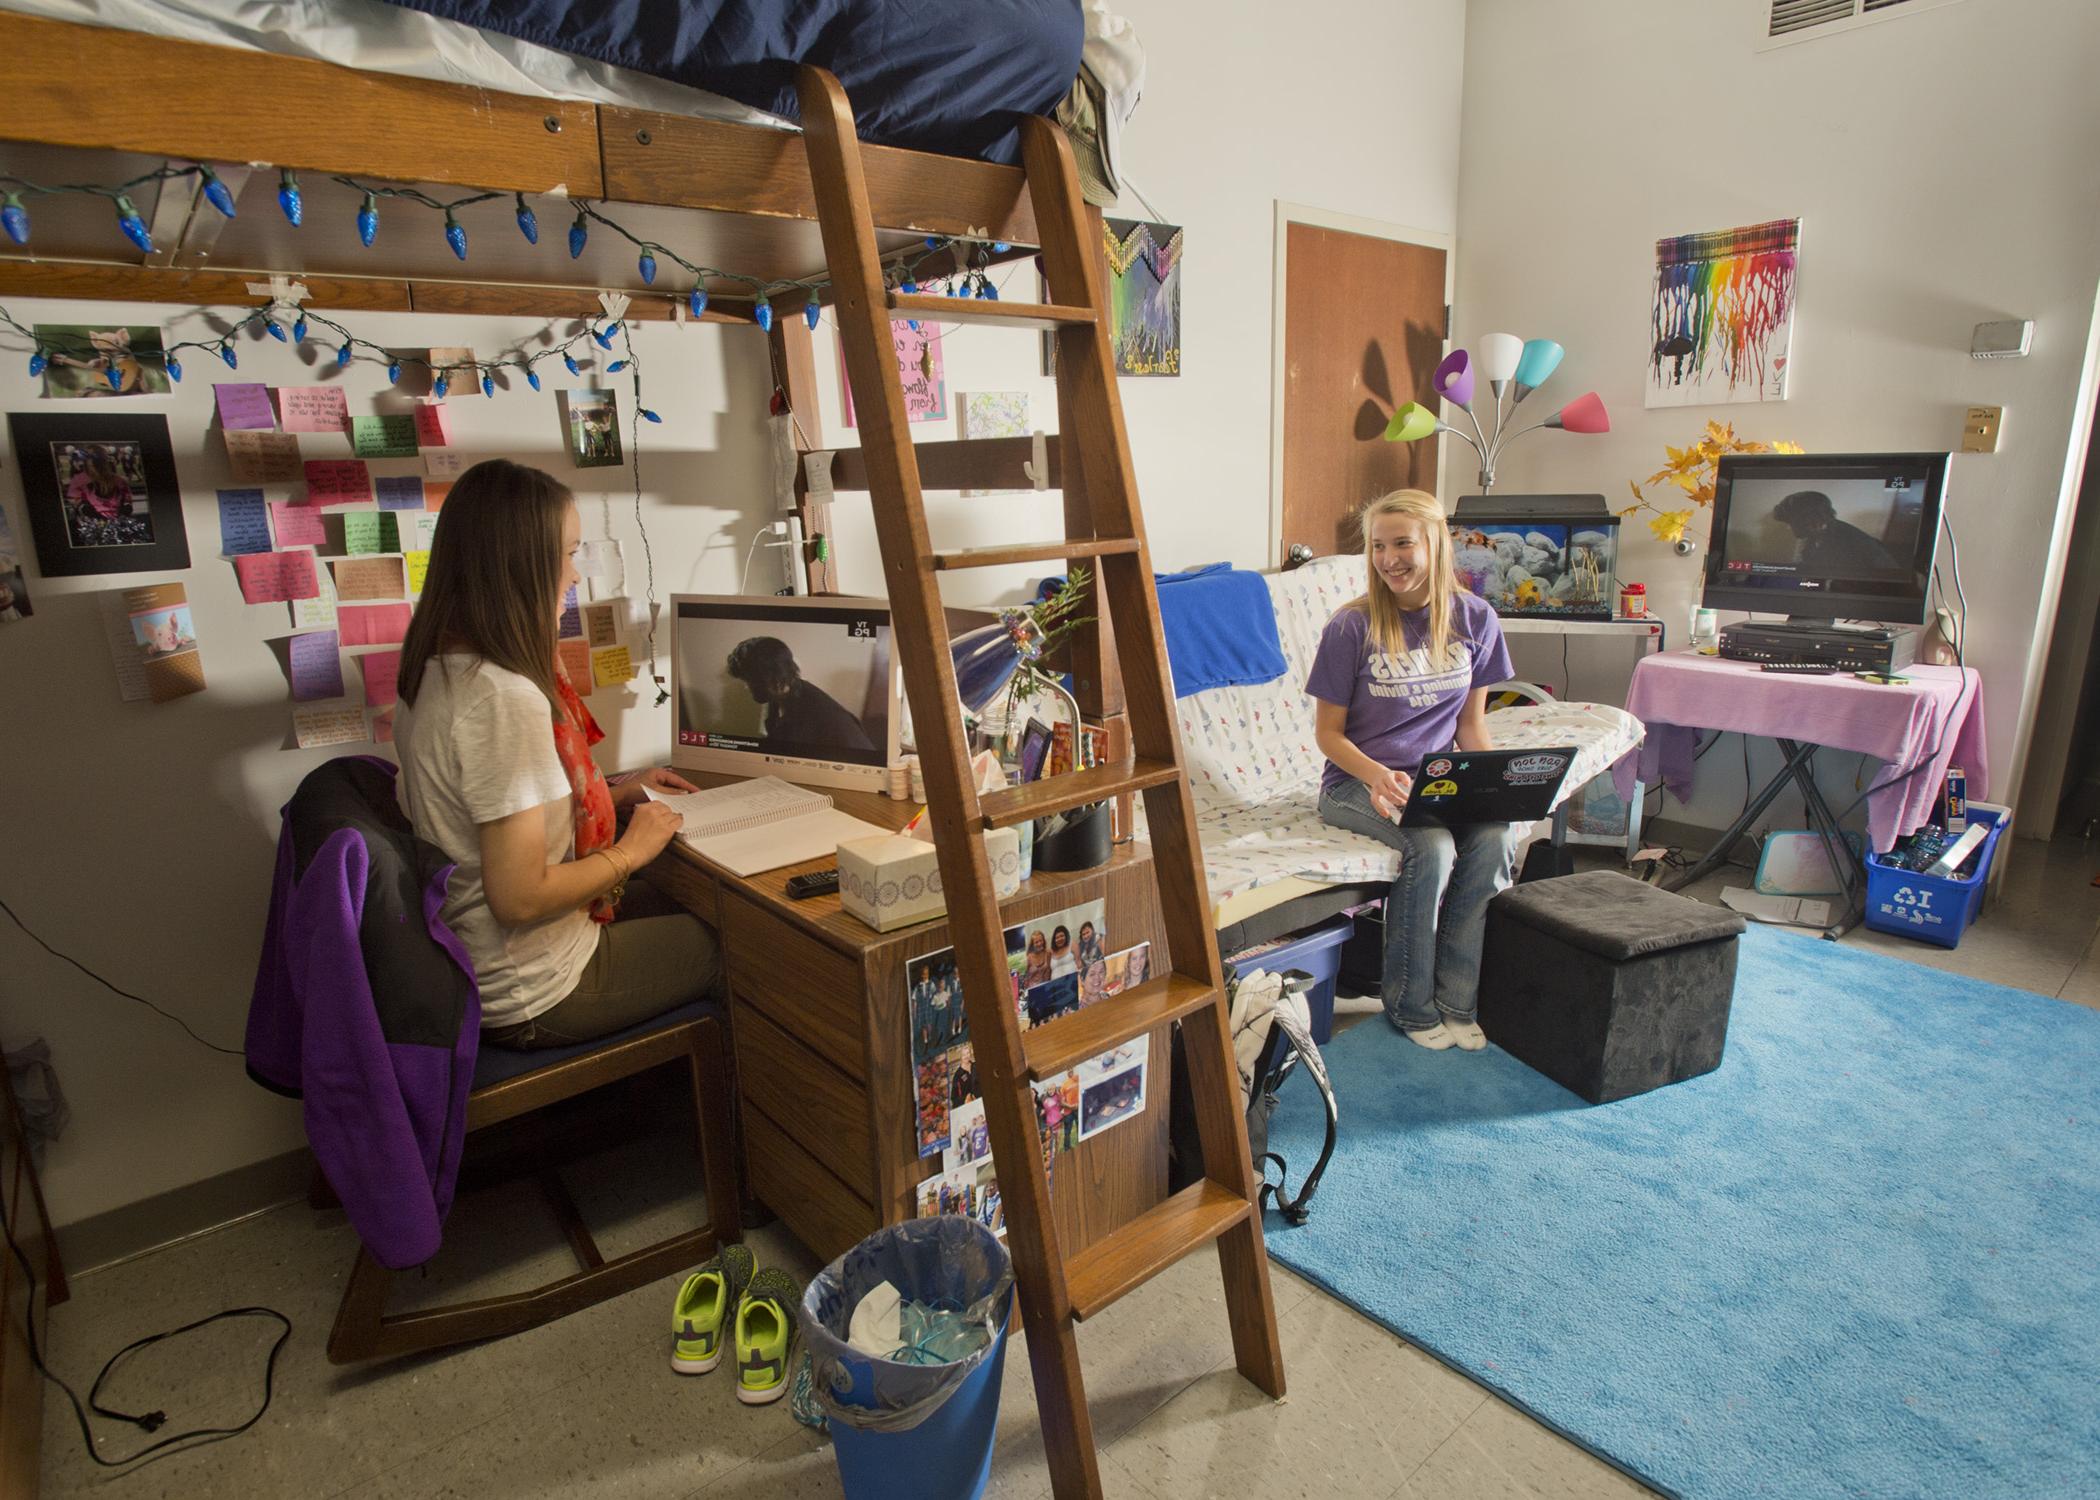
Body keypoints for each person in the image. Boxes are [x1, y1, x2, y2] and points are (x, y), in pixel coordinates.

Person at [394, 459, 721, 1049]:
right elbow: (519, 896)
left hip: (483, 963)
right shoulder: (501, 698)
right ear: (518, 566)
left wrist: (615, 793)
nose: (574, 576)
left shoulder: (437, 669)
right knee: (740, 946)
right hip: (535, 989)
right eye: (567, 554)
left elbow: (492, 814)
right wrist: (630, 851)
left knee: (697, 898)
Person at [1310, 489, 1517, 1053]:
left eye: (1403, 542)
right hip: (1356, 782)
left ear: (1436, 544)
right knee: (1431, 847)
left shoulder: (1476, 618)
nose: (1389, 558)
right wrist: (1377, 776)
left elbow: (1472, 728)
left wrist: (1493, 787)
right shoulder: (1350, 627)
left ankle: (1457, 1001)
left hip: (1439, 779)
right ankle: (1410, 1005)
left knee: (1496, 838)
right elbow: (1328, 735)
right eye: (1378, 546)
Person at [724, 636, 876, 753]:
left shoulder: (826, 717)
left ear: (772, 677)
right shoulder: (778, 695)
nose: (746, 687)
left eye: (750, 681)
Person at [1771, 490, 1899, 574]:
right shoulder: (1818, 532)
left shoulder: (1847, 544)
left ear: (1808, 520)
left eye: (1790, 523)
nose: (1788, 528)